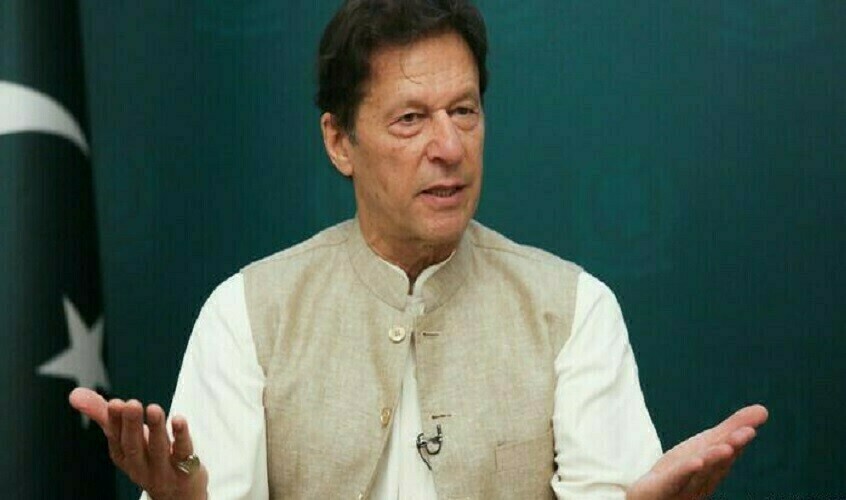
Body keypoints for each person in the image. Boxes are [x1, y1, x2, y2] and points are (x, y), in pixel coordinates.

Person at [70, 0, 768, 498]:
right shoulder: (247, 314)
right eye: (410, 119)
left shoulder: (575, 309)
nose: (450, 147)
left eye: (464, 111)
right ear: (340, 141)